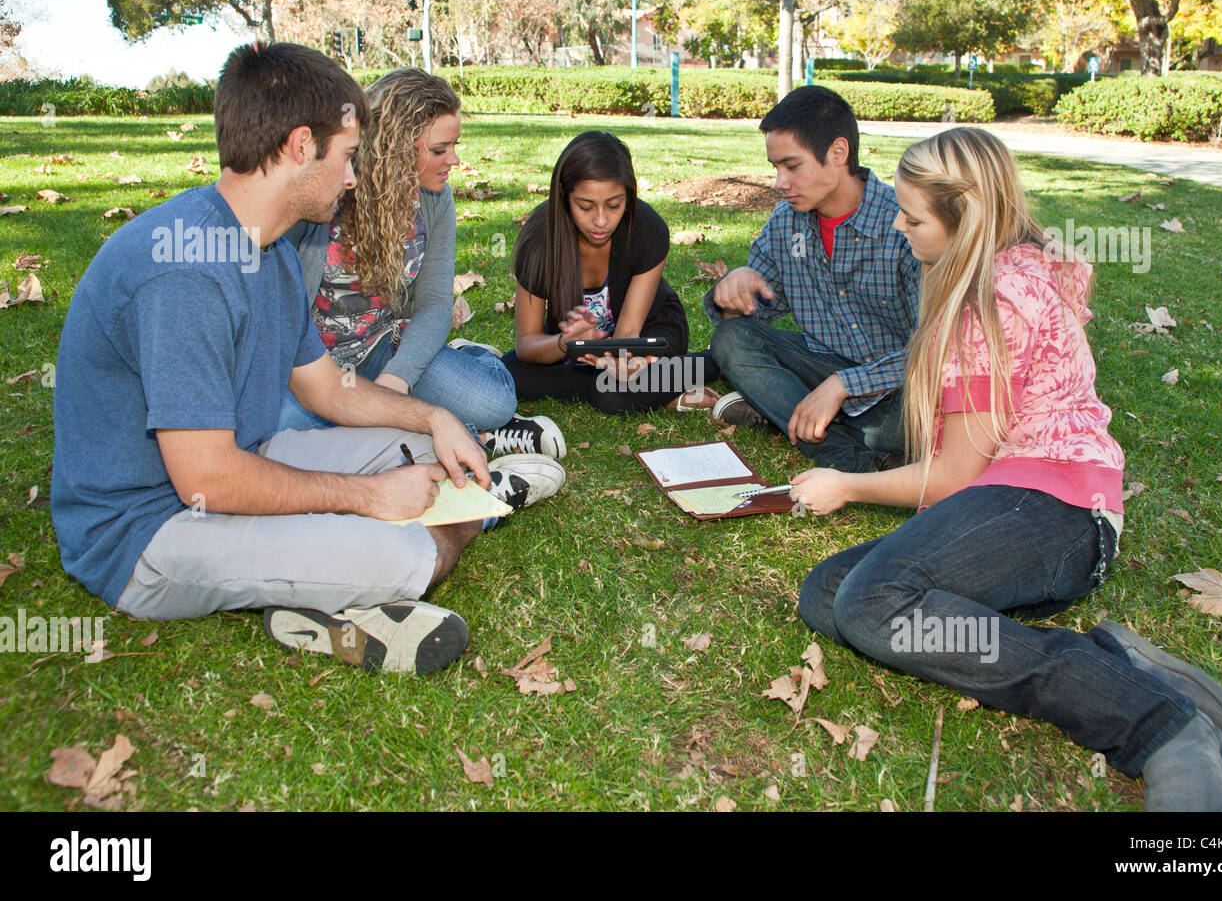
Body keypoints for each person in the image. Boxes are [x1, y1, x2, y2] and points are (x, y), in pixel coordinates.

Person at [51, 43, 565, 676]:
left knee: (429, 460)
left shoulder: (267, 251)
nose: (355, 178)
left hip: (247, 457)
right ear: (301, 145)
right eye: (348, 157)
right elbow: (208, 481)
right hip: (149, 531)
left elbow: (330, 391)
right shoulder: (185, 273)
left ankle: (341, 583)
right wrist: (369, 496)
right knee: (403, 553)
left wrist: (433, 417)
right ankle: (385, 567)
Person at [791, 127, 1222, 811]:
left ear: (963, 219)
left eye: (912, 217)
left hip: (1057, 509)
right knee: (831, 592)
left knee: (872, 602)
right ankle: (1117, 664)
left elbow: (950, 479)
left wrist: (847, 484)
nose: (897, 226)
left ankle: (1162, 727)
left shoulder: (987, 303)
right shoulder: (1005, 267)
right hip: (1011, 503)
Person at [277, 67, 564, 459]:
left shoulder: (434, 200)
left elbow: (432, 306)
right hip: (314, 369)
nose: (455, 160)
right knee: (274, 433)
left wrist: (396, 382)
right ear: (395, 147)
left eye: (454, 145)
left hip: (384, 349)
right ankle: (465, 433)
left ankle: (472, 366)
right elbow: (280, 320)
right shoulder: (328, 191)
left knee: (494, 403)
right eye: (439, 149)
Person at [705, 85, 920, 472]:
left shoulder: (906, 224)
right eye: (775, 168)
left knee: (913, 425)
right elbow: (749, 326)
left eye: (792, 166)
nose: (779, 183)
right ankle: (844, 449)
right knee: (730, 340)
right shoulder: (786, 223)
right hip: (821, 368)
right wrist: (733, 291)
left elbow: (938, 349)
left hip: (904, 389)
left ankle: (788, 413)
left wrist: (842, 386)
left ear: (838, 153)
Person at [503, 130, 720, 414]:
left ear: (628, 197)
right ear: (563, 196)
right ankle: (661, 386)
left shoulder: (647, 229)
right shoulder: (539, 240)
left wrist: (627, 366)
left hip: (648, 336)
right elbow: (527, 344)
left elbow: (629, 331)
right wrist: (563, 343)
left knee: (613, 394)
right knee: (509, 374)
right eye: (585, 206)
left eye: (615, 205)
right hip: (579, 352)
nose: (601, 221)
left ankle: (710, 364)